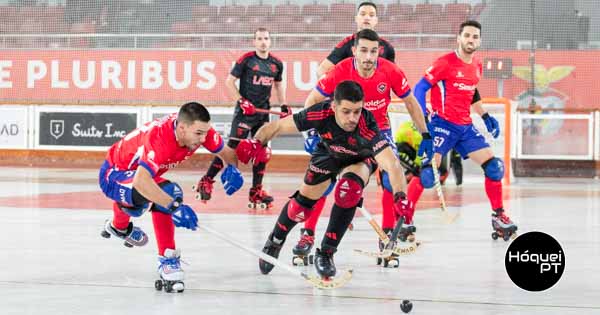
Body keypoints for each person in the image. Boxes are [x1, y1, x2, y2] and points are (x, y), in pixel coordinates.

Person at [236, 81, 415, 279]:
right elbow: (276, 127)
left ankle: (327, 252)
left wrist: (400, 196)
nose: (352, 118)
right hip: (329, 154)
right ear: (333, 106)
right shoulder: (320, 113)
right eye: (346, 111)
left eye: (357, 111)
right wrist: (255, 142)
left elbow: (393, 165)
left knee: (349, 191)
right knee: (301, 208)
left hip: (359, 160)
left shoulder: (367, 126)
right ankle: (275, 240)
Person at [293, 29, 431, 263]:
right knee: (323, 184)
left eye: (374, 51)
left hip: (377, 133)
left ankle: (387, 235)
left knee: (391, 177)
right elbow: (312, 100)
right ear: (355, 51)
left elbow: (410, 102)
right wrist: (312, 131)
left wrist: (426, 133)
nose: (369, 57)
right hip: (343, 132)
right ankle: (307, 233)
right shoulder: (341, 70)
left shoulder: (391, 71)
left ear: (379, 52)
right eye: (364, 51)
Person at [98, 102, 243, 293]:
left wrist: (232, 168)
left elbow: (227, 154)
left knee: (159, 196)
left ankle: (119, 226)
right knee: (168, 195)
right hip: (114, 174)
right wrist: (174, 207)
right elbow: (142, 182)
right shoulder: (160, 139)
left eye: (205, 133)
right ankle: (167, 260)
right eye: (199, 134)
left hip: (140, 175)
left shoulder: (199, 129)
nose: (203, 139)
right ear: (182, 128)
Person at [407, 20, 517, 240]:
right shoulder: (444, 63)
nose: (470, 40)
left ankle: (498, 216)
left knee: (494, 168)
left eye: (475, 37)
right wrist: (424, 120)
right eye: (467, 35)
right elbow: (420, 88)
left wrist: (484, 115)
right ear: (458, 38)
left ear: (479, 41)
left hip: (465, 126)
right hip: (441, 124)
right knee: (428, 175)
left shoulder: (477, 65)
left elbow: (472, 92)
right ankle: (404, 218)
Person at [195, 27, 289, 209]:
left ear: (270, 41)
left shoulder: (276, 64)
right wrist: (241, 100)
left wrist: (284, 104)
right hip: (245, 113)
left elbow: (278, 85)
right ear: (254, 42)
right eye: (259, 38)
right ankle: (205, 181)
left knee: (262, 153)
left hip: (263, 114)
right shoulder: (247, 60)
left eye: (266, 38)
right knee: (231, 150)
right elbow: (229, 82)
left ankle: (256, 192)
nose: (263, 42)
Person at [316, 1, 395, 77]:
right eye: (363, 14)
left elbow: (394, 74)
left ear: (376, 20)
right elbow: (322, 70)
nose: (367, 18)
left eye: (371, 15)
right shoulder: (346, 45)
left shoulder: (387, 47)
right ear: (356, 18)